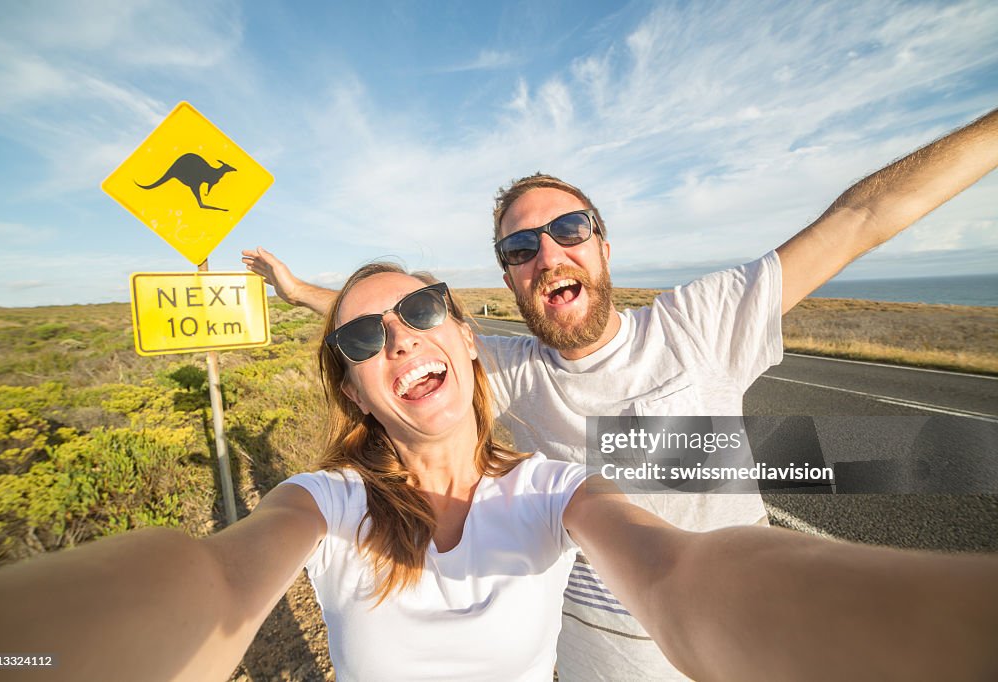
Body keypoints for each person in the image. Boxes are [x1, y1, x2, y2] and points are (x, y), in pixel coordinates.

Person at [242, 107, 998, 680]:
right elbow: (400, 336)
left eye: (569, 228)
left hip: (733, 645)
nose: (547, 253)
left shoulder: (699, 322)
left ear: (603, 245)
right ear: (509, 279)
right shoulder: (499, 368)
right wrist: (301, 290)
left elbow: (858, 220)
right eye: (519, 247)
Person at [0, 263, 997, 682]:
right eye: (364, 338)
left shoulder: (557, 475)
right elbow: (212, 582)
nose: (400, 338)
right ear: (353, 388)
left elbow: (690, 579)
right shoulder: (328, 504)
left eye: (422, 314)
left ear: (471, 342)